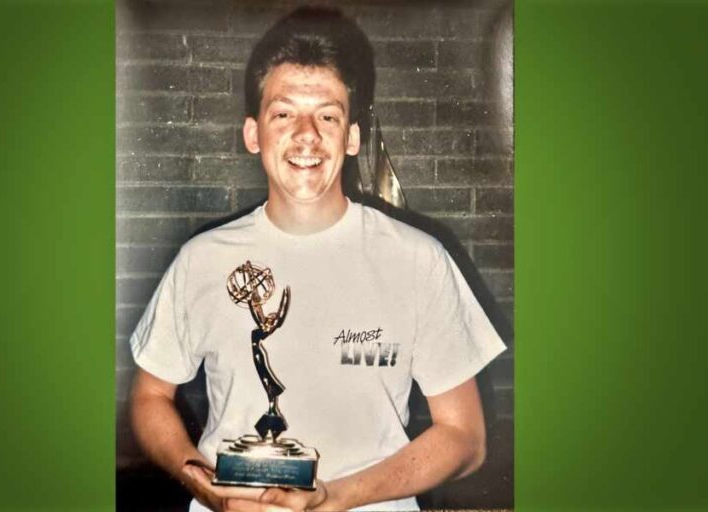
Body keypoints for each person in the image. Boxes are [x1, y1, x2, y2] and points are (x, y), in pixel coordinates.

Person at [129, 7, 506, 511]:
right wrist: (205, 487)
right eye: (283, 113)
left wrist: (337, 497)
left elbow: (466, 438)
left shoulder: (419, 260)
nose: (306, 134)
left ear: (352, 137)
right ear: (252, 133)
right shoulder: (201, 260)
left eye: (327, 115)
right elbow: (149, 398)